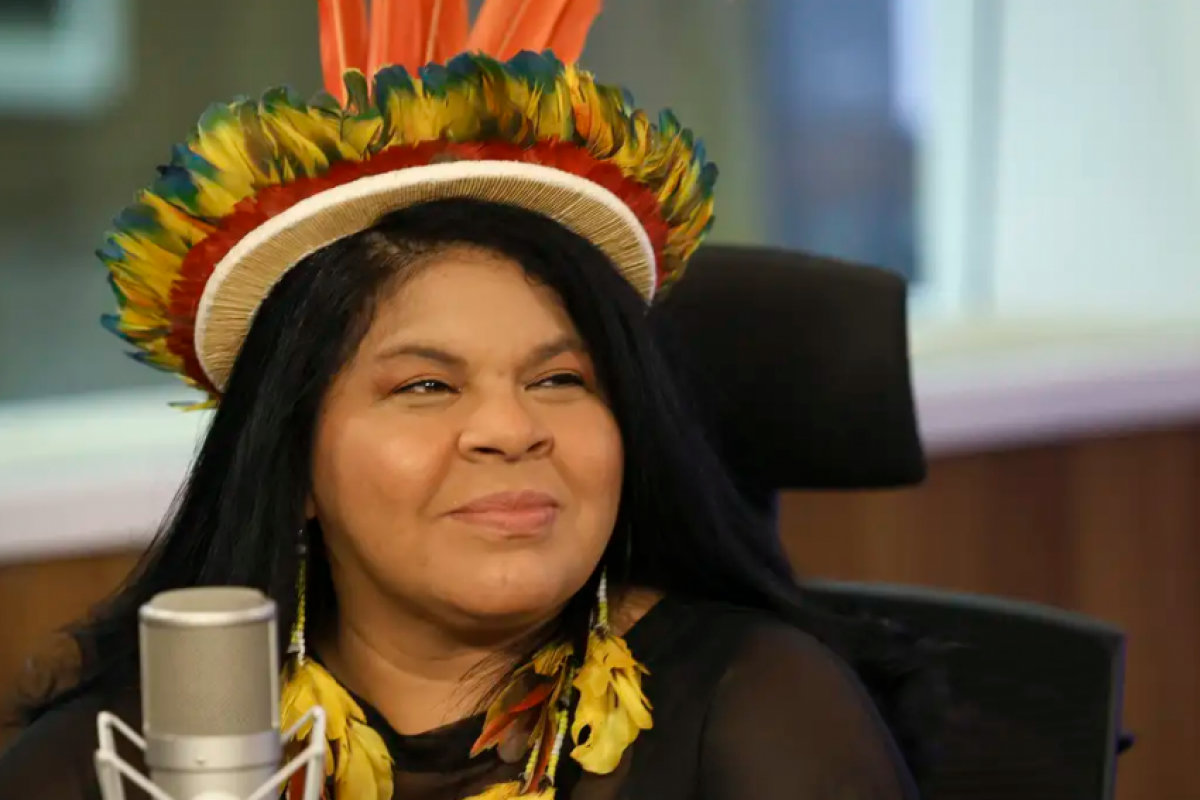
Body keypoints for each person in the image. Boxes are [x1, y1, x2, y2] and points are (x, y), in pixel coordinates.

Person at [0, 2, 931, 798]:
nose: (510, 430)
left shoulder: (762, 705)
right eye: (426, 386)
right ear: (295, 463)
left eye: (559, 380)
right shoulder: (112, 758)